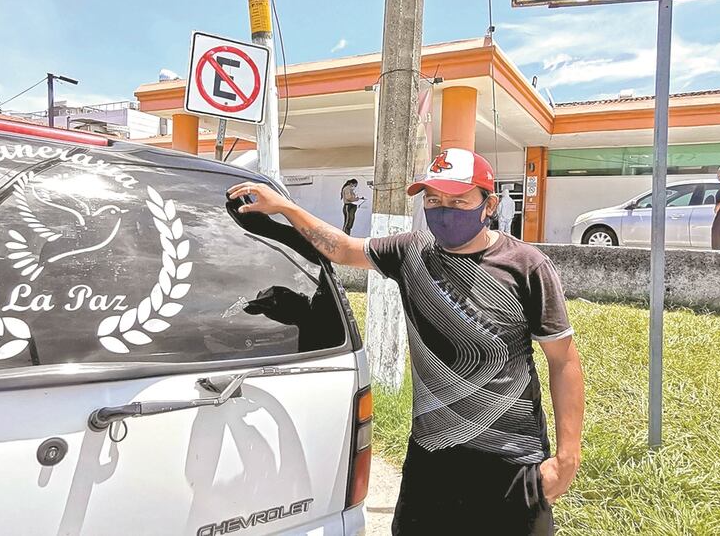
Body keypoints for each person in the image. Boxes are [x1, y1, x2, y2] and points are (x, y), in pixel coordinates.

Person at [229, 148, 584, 535]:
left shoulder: (527, 266)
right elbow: (344, 248)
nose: (443, 210)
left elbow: (563, 361)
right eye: (433, 200)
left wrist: (567, 459)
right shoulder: (410, 251)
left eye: (457, 200)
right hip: (432, 457)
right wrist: (285, 208)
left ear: (489, 204)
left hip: (511, 463)